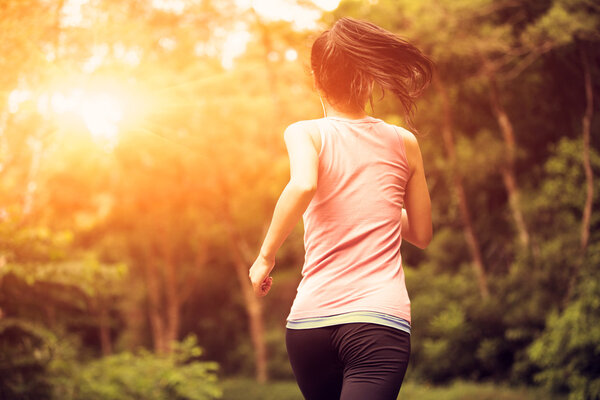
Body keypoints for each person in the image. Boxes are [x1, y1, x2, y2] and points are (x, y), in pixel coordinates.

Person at [249, 17, 434, 400]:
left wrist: (265, 257)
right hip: (377, 324)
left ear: (316, 77)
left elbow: (303, 183)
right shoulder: (404, 142)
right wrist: (381, 209)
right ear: (367, 78)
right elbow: (421, 234)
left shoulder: (306, 132)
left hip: (308, 326)